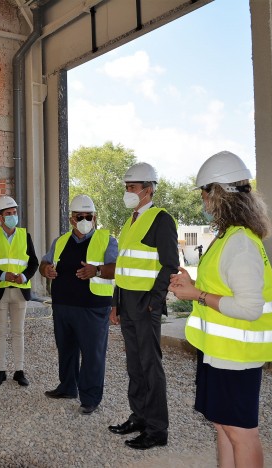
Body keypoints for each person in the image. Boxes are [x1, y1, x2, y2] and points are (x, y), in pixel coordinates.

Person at [169, 151, 272, 467]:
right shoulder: (227, 237)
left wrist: (197, 294)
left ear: (217, 193)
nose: (203, 201)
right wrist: (192, 285)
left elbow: (249, 308)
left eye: (205, 193)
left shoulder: (240, 242)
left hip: (237, 356)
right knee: (223, 424)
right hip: (221, 352)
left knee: (240, 432)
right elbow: (221, 288)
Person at [108, 162, 179, 450]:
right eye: (126, 187)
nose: (128, 192)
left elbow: (170, 265)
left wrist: (154, 302)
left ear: (148, 190)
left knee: (151, 367)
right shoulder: (130, 220)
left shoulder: (161, 220)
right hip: (127, 302)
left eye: (132, 188)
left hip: (146, 304)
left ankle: (157, 430)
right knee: (134, 365)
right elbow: (124, 265)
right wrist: (116, 303)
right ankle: (139, 417)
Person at [38, 195, 117, 414]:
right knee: (66, 350)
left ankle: (90, 398)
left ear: (95, 217)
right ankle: (67, 387)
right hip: (63, 305)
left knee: (93, 354)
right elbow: (44, 262)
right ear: (71, 219)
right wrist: (46, 270)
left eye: (88, 216)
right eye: (79, 216)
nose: (84, 219)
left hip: (92, 307)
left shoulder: (106, 239)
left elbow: (117, 268)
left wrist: (97, 270)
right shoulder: (61, 241)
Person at [0, 196, 39, 387]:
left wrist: (24, 276)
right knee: (0, 332)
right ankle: (1, 370)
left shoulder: (24, 235)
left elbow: (34, 263)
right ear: (0, 217)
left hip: (20, 290)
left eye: (14, 212)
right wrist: (3, 275)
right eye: (8, 213)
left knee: (18, 332)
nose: (13, 216)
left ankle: (19, 371)